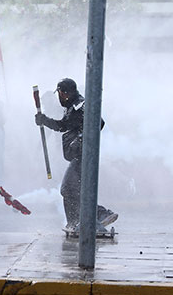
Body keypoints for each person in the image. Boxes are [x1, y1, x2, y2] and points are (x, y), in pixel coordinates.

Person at [35, 77, 118, 234]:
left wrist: (82, 138)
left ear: (65, 93)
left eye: (59, 94)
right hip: (82, 155)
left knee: (68, 188)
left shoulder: (79, 105)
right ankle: (75, 222)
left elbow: (96, 122)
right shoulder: (74, 104)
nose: (59, 98)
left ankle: (98, 214)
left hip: (84, 156)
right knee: (72, 189)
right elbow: (67, 125)